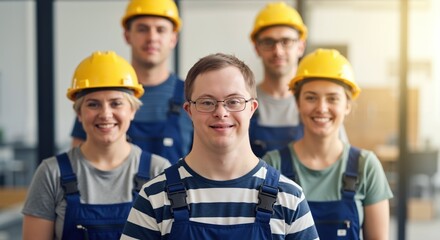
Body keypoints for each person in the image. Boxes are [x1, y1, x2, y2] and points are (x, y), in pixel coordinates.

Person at [120, 53, 319, 240]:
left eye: (234, 101)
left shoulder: (289, 198)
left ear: (252, 108)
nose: (221, 112)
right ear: (189, 111)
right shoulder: (154, 197)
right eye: (207, 102)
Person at [22, 51, 171, 240]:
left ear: (132, 110)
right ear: (79, 114)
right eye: (93, 105)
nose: (105, 114)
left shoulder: (158, 171)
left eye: (116, 103)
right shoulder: (51, 174)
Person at [263, 48, 393, 240]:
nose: (321, 108)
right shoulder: (273, 166)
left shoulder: (366, 167)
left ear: (347, 105)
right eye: (311, 97)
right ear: (298, 103)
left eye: (333, 98)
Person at [70, 0, 193, 164]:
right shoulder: (100, 93)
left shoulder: (192, 96)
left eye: (160, 30)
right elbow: (77, 163)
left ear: (173, 38)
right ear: (127, 35)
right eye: (142, 29)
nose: (152, 37)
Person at [249, 1, 348, 157]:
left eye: (286, 41)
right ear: (257, 48)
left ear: (301, 47)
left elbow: (339, 163)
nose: (278, 51)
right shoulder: (242, 104)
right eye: (268, 42)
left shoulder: (321, 109)